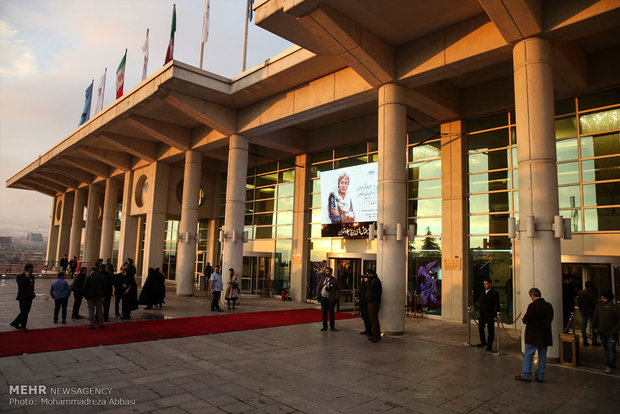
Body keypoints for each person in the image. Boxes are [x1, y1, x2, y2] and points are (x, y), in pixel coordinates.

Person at [515, 287, 554, 383]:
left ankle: (526, 374)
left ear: (532, 295)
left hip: (533, 335)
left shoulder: (532, 306)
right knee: (542, 355)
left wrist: (525, 320)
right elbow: (550, 318)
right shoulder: (548, 305)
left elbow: (526, 320)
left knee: (529, 354)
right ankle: (540, 375)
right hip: (545, 335)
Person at [593, 292, 620, 374]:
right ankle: (612, 362)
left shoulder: (615, 308)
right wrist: (594, 327)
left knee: (611, 349)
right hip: (602, 331)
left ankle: (609, 366)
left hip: (611, 333)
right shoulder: (599, 306)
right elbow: (596, 317)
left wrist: (614, 330)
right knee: (607, 349)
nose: (602, 299)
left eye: (603, 298)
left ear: (608, 299)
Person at [10, 263, 36, 331]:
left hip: (29, 297)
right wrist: (26, 278)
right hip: (23, 297)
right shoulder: (20, 277)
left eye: (32, 269)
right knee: (24, 312)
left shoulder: (32, 277)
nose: (32, 270)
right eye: (30, 269)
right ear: (27, 269)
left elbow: (32, 286)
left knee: (26, 312)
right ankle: (23, 326)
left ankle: (15, 323)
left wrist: (33, 294)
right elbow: (21, 285)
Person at [477, 278, 500, 352]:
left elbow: (497, 304)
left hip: (490, 314)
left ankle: (489, 346)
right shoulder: (483, 292)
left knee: (490, 330)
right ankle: (483, 342)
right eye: (484, 284)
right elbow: (481, 302)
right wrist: (480, 311)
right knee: (480, 327)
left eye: (486, 284)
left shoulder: (494, 293)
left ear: (490, 284)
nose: (485, 285)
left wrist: (496, 315)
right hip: (482, 314)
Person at [316, 267, 340, 331]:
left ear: (331, 272)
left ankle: (332, 327)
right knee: (324, 313)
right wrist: (318, 295)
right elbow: (319, 287)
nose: (326, 272)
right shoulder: (323, 279)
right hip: (323, 298)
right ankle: (325, 326)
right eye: (326, 271)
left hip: (331, 298)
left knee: (331, 313)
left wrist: (336, 298)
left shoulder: (334, 280)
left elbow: (338, 289)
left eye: (328, 271)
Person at [577, 281, 599, 346]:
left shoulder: (580, 293)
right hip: (591, 312)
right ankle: (594, 341)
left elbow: (579, 302)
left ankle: (585, 341)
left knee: (583, 327)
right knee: (594, 326)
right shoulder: (592, 293)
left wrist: (580, 309)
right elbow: (594, 303)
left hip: (583, 311)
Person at [365, 269, 382, 343]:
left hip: (374, 302)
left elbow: (372, 289)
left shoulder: (375, 280)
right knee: (372, 319)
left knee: (373, 318)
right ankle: (375, 334)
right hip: (371, 301)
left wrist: (367, 282)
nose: (367, 276)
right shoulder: (373, 280)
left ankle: (376, 336)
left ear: (371, 274)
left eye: (367, 274)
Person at [358, 272, 371, 336]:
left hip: (366, 302)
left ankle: (369, 330)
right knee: (363, 316)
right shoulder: (362, 283)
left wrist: (366, 282)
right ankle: (367, 329)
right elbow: (360, 291)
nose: (364, 278)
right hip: (362, 301)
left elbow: (369, 289)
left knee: (367, 317)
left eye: (365, 277)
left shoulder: (369, 283)